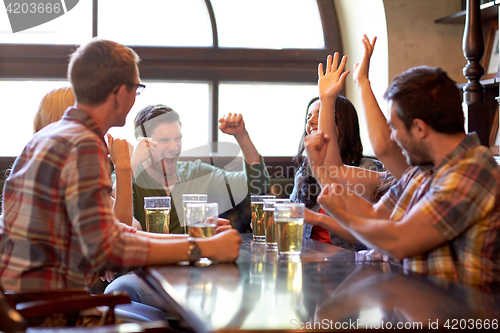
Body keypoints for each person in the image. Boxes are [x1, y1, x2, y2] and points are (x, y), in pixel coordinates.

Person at [0, 39, 242, 294]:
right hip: (52, 313)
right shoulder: (83, 143)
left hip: (23, 306)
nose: (136, 97)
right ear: (119, 93)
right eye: (137, 89)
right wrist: (202, 249)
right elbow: (109, 250)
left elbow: (116, 231)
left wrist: (199, 239)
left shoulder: (52, 135)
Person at [305, 48, 500, 288]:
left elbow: (398, 242)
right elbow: (374, 216)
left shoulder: (472, 171)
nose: (393, 138)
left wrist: (340, 213)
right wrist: (320, 170)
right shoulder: (424, 169)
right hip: (413, 304)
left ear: (419, 128)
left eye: (395, 128)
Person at [129, 104, 270, 233]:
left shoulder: (196, 172)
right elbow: (116, 217)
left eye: (178, 138)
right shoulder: (129, 175)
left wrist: (241, 136)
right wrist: (132, 163)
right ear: (143, 143)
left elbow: (257, 184)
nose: (174, 147)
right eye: (164, 140)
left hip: (196, 256)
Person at [290, 95, 385, 250]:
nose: (311, 121)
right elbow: (293, 222)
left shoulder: (368, 169)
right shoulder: (304, 172)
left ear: (344, 124)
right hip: (309, 261)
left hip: (349, 263)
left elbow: (371, 239)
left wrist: (318, 219)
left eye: (320, 114)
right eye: (309, 116)